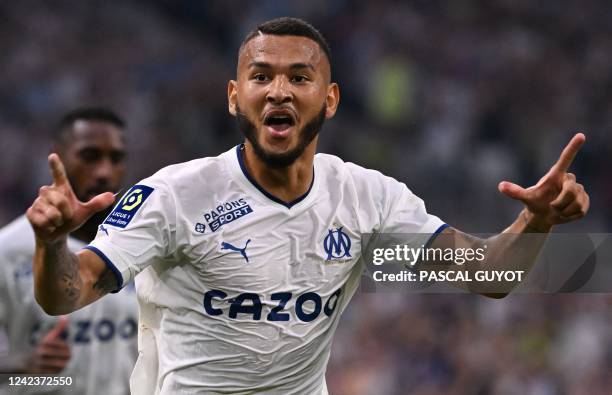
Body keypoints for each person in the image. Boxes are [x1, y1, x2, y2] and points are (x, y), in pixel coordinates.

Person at [26, 18, 589, 395]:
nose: (279, 91)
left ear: (331, 98)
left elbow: (489, 275)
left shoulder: (369, 197)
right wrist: (52, 242)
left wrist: (534, 220)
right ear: (233, 95)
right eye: (261, 76)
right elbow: (65, 294)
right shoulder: (175, 194)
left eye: (300, 77)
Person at [0, 107, 138, 394]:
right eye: (90, 156)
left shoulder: (144, 243)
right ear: (58, 157)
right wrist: (20, 367)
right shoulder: (8, 250)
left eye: (116, 158)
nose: (104, 172)